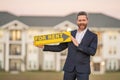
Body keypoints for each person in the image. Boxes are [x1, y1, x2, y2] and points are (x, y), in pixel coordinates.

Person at [37, 11, 98, 80]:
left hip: (83, 70)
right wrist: (44, 46)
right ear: (77, 21)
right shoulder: (69, 34)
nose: (81, 22)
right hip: (69, 69)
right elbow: (59, 47)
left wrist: (78, 45)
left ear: (87, 21)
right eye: (79, 20)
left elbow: (92, 51)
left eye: (83, 20)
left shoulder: (93, 36)